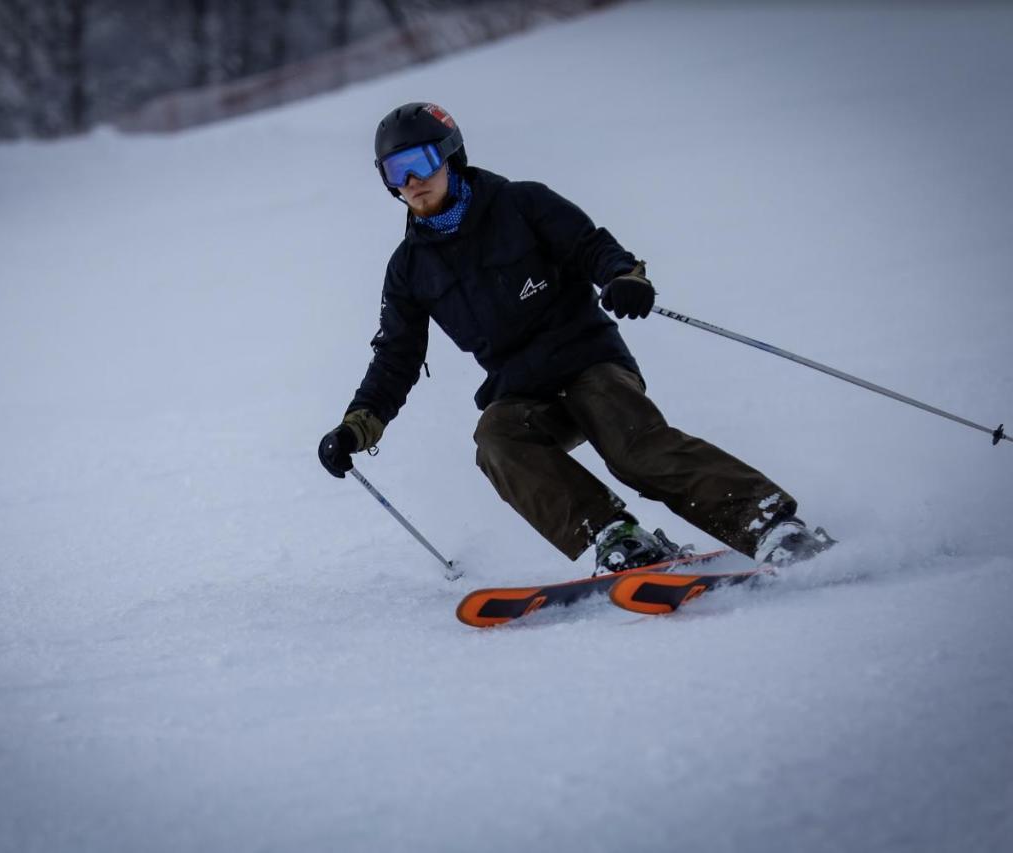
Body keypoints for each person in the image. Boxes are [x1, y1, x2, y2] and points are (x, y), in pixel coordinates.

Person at [318, 102, 833, 573]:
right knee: (496, 439)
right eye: (394, 171)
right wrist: (357, 427)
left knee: (631, 447)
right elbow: (396, 357)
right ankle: (616, 536)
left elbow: (591, 247)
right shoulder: (409, 269)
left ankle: (766, 523)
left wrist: (624, 277)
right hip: (522, 390)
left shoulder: (522, 203)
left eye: (421, 162)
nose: (410, 181)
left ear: (451, 156)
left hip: (590, 362)